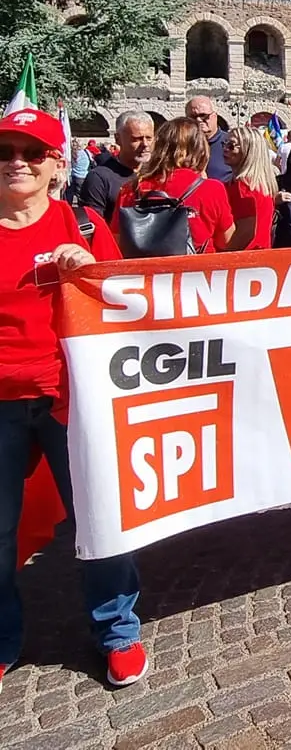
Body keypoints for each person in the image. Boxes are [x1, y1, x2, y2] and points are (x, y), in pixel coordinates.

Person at [0, 108, 148, 688]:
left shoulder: (81, 224)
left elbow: (124, 301)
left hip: (69, 399)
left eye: (31, 153)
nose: (17, 163)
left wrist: (92, 270)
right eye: (5, 152)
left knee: (98, 519)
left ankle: (118, 630)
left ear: (56, 164)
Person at [117, 118, 235, 253]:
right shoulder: (211, 189)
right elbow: (227, 241)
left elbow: (117, 240)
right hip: (197, 269)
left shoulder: (131, 189)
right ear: (200, 148)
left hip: (144, 270)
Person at [79, 112, 154, 224]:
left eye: (149, 138)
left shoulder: (157, 173)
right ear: (118, 139)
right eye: (136, 139)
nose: (145, 144)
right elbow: (93, 226)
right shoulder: (99, 178)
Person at [221, 126, 277, 251]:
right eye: (223, 144)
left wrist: (223, 255)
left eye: (231, 146)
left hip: (243, 260)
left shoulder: (243, 186)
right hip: (261, 257)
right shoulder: (262, 184)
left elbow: (245, 232)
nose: (225, 149)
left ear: (248, 150)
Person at [185, 96, 231, 181]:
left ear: (215, 116)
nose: (198, 120)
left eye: (203, 115)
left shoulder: (231, 145)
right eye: (192, 117)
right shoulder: (181, 146)